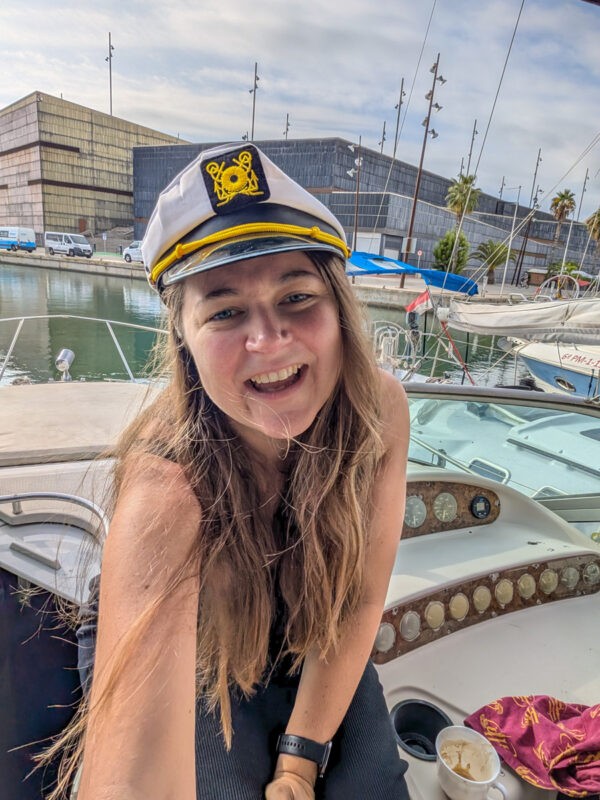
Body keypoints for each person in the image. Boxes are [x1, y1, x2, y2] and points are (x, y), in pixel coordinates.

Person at [68, 142, 410, 800]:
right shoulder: (169, 481)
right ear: (184, 341)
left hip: (310, 618)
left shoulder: (379, 415)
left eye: (297, 296)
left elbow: (359, 596)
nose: (268, 340)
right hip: (202, 644)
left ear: (339, 308)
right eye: (224, 311)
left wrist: (300, 759)